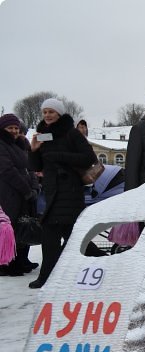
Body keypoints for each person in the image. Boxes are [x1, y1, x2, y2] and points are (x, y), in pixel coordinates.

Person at [28, 98, 97, 288]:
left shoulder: (71, 133)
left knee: (61, 235)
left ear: (59, 113)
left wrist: (59, 156)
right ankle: (102, 262)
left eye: (51, 112)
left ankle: (47, 277)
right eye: (45, 112)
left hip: (70, 191)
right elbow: (36, 166)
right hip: (52, 191)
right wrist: (33, 151)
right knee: (69, 235)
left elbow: (89, 158)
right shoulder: (42, 135)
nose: (47, 115)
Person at [0, 114, 37, 276]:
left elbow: (30, 168)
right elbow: (8, 171)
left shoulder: (20, 145)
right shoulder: (2, 145)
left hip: (24, 194)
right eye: (10, 128)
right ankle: (7, 263)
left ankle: (20, 260)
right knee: (11, 228)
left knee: (23, 227)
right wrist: (26, 189)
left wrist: (35, 187)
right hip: (9, 193)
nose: (14, 131)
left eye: (16, 128)